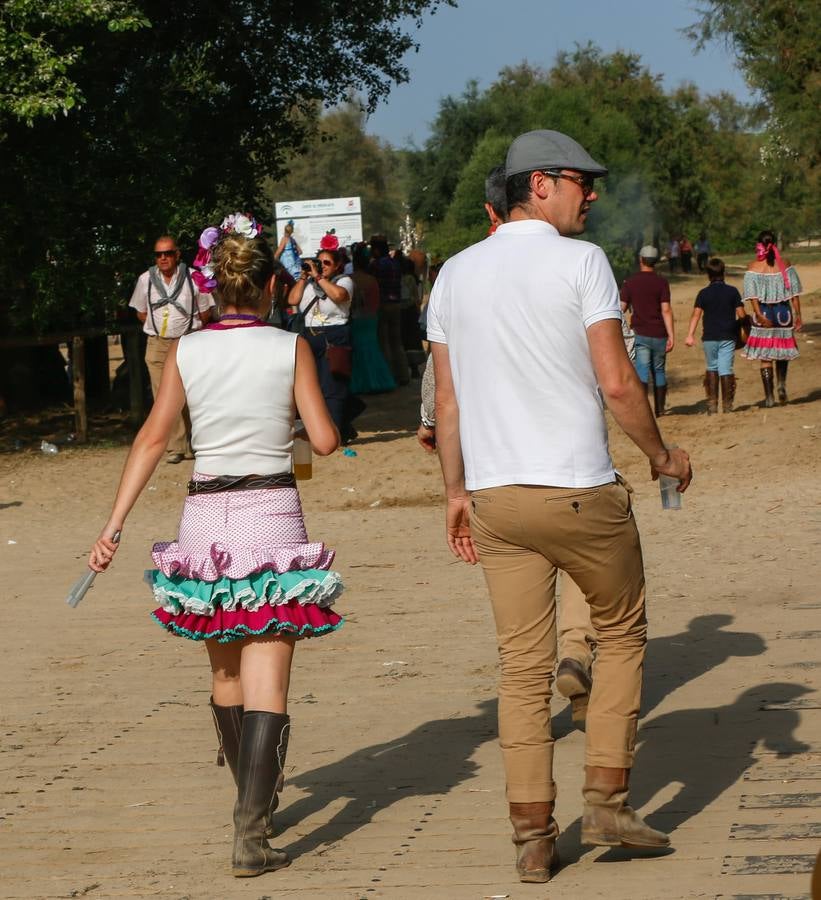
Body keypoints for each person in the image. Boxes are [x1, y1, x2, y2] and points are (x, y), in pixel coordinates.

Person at [427, 129, 692, 883]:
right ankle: (605, 801)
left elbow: (447, 401)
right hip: (578, 489)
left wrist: (454, 492)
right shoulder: (581, 262)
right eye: (582, 180)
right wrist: (661, 456)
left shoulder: (453, 273)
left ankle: (532, 838)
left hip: (494, 496)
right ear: (539, 184)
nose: (592, 194)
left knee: (520, 667)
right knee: (621, 631)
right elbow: (616, 382)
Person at [89, 213, 343, 877]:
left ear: (212, 287)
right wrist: (294, 422)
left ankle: (250, 803)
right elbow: (324, 441)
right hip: (270, 513)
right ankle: (251, 834)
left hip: (204, 517)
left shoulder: (186, 350)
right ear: (268, 288)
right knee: (268, 679)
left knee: (226, 673)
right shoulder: (289, 348)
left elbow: (152, 438)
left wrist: (113, 526)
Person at [419, 162, 596, 728]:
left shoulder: (458, 273)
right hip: (572, 461)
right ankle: (578, 650)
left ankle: (529, 744)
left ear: (490, 211)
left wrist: (447, 471)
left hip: (492, 472)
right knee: (585, 563)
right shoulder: (578, 261)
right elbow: (612, 364)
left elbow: (442, 385)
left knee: (520, 647)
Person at [129, 235, 215, 464]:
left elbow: (205, 312)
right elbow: (140, 312)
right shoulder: (145, 280)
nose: (163, 258)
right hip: (158, 343)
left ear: (177, 254)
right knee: (163, 396)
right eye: (158, 254)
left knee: (192, 393)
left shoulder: (193, 278)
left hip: (189, 341)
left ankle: (194, 442)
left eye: (167, 253)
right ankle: (176, 446)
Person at [287, 246, 355, 441]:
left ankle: (337, 431)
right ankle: (327, 428)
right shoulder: (308, 283)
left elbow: (339, 296)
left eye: (327, 263)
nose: (322, 266)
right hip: (310, 335)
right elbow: (292, 300)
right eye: (319, 262)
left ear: (337, 265)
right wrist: (303, 277)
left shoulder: (344, 281)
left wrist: (318, 277)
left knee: (333, 385)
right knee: (312, 384)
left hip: (334, 335)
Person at [741, 230, 802, 407]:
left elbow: (752, 297)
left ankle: (769, 397)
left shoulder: (752, 267)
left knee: (765, 356)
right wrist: (799, 316)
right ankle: (781, 386)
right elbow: (794, 294)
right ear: (774, 244)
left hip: (764, 313)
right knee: (781, 352)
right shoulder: (785, 264)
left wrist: (759, 315)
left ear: (759, 245)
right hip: (784, 313)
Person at [685, 257, 746, 413]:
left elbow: (696, 315)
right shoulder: (732, 291)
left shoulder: (703, 293)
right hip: (728, 336)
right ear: (724, 272)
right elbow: (741, 314)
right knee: (726, 369)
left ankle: (712, 405)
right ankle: (727, 406)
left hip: (709, 337)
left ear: (708, 275)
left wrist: (690, 334)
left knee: (712, 367)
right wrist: (746, 328)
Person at [621, 246, 675, 417]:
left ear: (641, 259)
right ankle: (660, 410)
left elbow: (621, 308)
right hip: (659, 333)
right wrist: (671, 335)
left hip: (640, 333)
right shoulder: (662, 282)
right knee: (659, 370)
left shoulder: (630, 283)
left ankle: (643, 409)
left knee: (642, 370)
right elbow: (666, 310)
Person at [349, 243, 395, 394]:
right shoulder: (371, 280)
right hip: (370, 318)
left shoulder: (350, 279)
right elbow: (376, 302)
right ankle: (378, 380)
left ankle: (361, 382)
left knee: (357, 351)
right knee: (373, 349)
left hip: (355, 318)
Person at [370, 236, 408, 385]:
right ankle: (403, 375)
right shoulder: (395, 263)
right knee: (397, 341)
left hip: (383, 304)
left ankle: (390, 376)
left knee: (384, 342)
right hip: (396, 304)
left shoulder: (376, 265)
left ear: (376, 249)